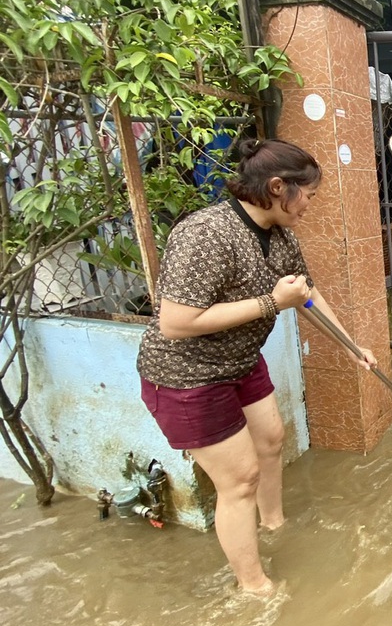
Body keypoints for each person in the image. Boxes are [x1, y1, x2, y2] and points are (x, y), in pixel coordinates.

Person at [136, 138, 377, 596]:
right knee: (240, 478)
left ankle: (274, 525)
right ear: (276, 186)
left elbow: (306, 294)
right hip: (186, 375)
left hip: (240, 362)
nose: (309, 205)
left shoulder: (281, 236)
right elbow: (175, 322)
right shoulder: (206, 233)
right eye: (307, 195)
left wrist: (350, 347)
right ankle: (254, 586)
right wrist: (272, 301)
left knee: (271, 439)